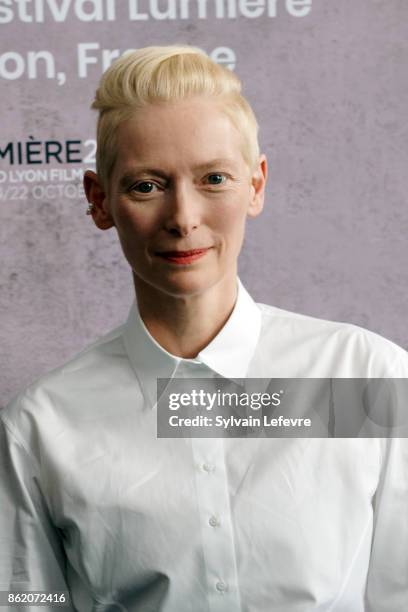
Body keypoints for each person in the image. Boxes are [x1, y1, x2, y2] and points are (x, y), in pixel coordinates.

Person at [0, 44, 407, 612]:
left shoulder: (365, 377)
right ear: (100, 201)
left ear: (256, 185)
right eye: (147, 185)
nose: (184, 218)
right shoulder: (40, 427)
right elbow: (28, 599)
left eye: (214, 178)